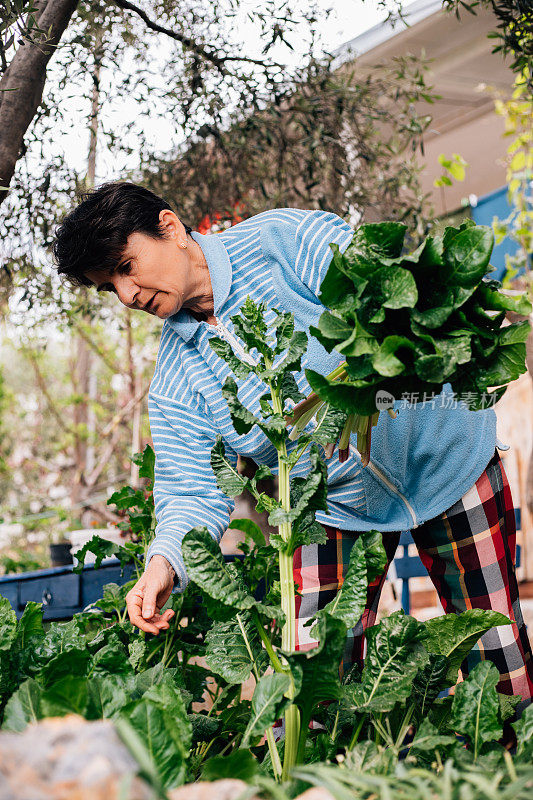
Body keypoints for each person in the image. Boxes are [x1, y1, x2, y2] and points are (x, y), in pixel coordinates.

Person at [53, 181, 533, 721]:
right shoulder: (176, 380)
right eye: (109, 285)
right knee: (312, 689)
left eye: (125, 265)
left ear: (168, 227)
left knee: (497, 653)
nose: (126, 294)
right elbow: (189, 489)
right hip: (332, 506)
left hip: (450, 459)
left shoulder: (286, 241)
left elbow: (383, 295)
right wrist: (162, 564)